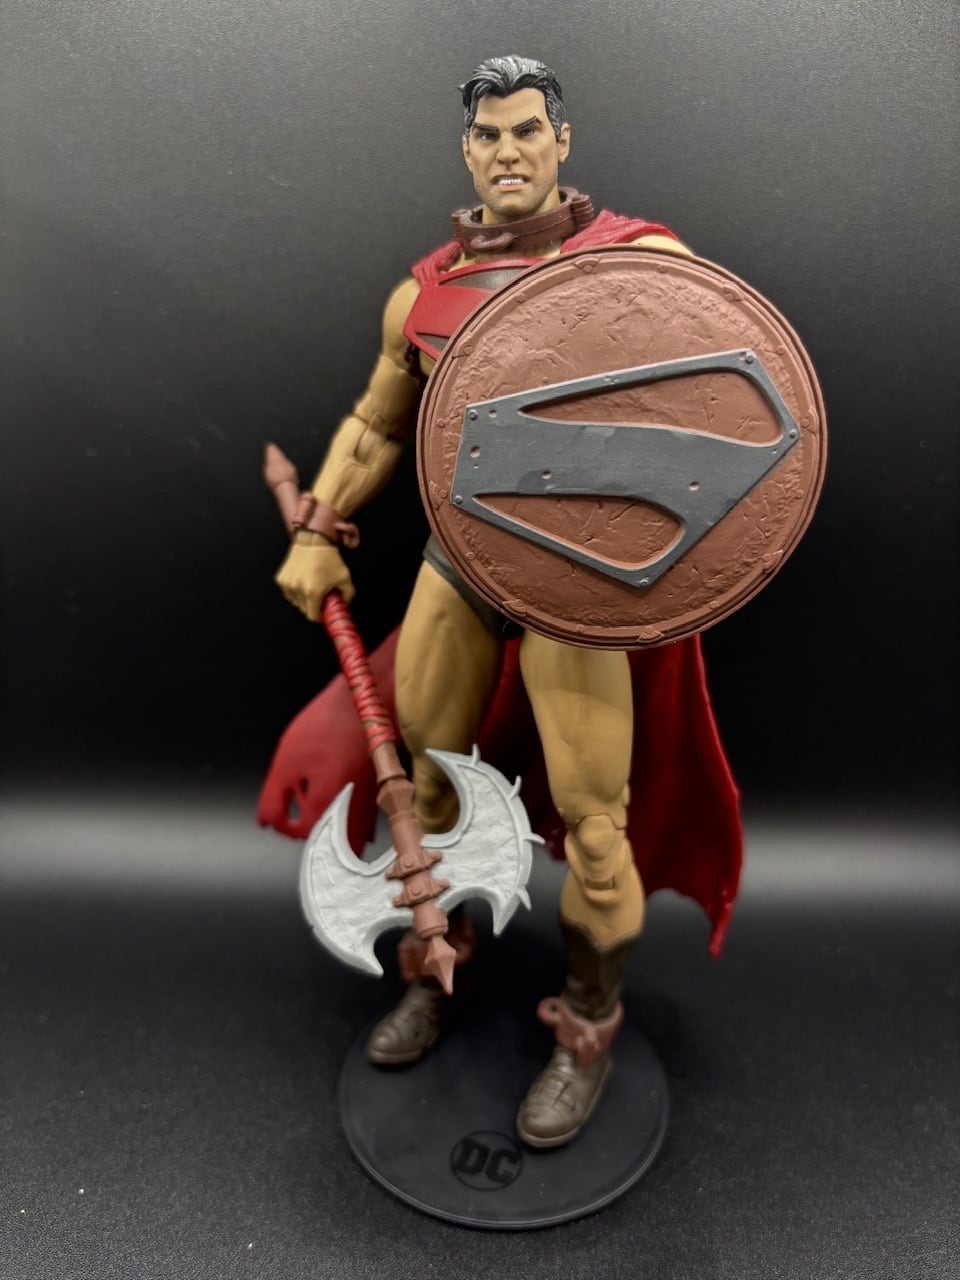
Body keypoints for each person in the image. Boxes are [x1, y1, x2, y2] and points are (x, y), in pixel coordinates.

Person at [271, 55, 740, 1149]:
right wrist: (317, 526)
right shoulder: (425, 291)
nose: (509, 151)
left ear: (561, 140)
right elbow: (378, 423)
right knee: (425, 790)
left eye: (528, 129)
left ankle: (587, 1025)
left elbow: (721, 391)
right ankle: (436, 964)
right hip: (462, 563)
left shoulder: (639, 262)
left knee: (598, 830)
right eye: (489, 134)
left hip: (575, 580)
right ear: (467, 148)